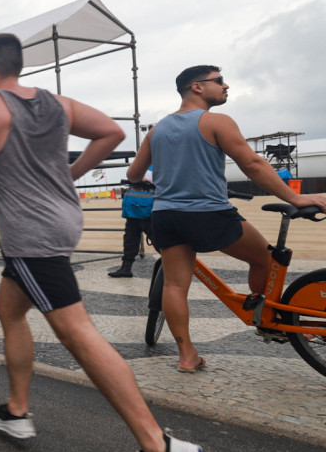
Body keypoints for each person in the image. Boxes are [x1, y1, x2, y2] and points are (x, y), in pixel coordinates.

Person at [0, 32, 200, 452]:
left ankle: (159, 448)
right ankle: (18, 410)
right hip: (61, 222)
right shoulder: (56, 103)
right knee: (10, 309)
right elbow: (111, 132)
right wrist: (68, 176)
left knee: (77, 334)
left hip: (31, 234)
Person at [127, 66, 326, 372]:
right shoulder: (216, 121)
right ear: (197, 87)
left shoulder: (158, 129)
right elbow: (254, 164)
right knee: (265, 259)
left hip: (166, 215)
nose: (225, 85)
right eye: (218, 81)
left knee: (176, 286)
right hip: (208, 213)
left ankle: (187, 357)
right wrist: (296, 197)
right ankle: (265, 322)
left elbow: (133, 174)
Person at [108, 173, 154, 278]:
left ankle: (175, 267)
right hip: (133, 211)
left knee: (160, 242)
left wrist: (148, 183)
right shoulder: (143, 165)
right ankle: (126, 268)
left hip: (147, 212)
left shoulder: (157, 166)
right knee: (129, 242)